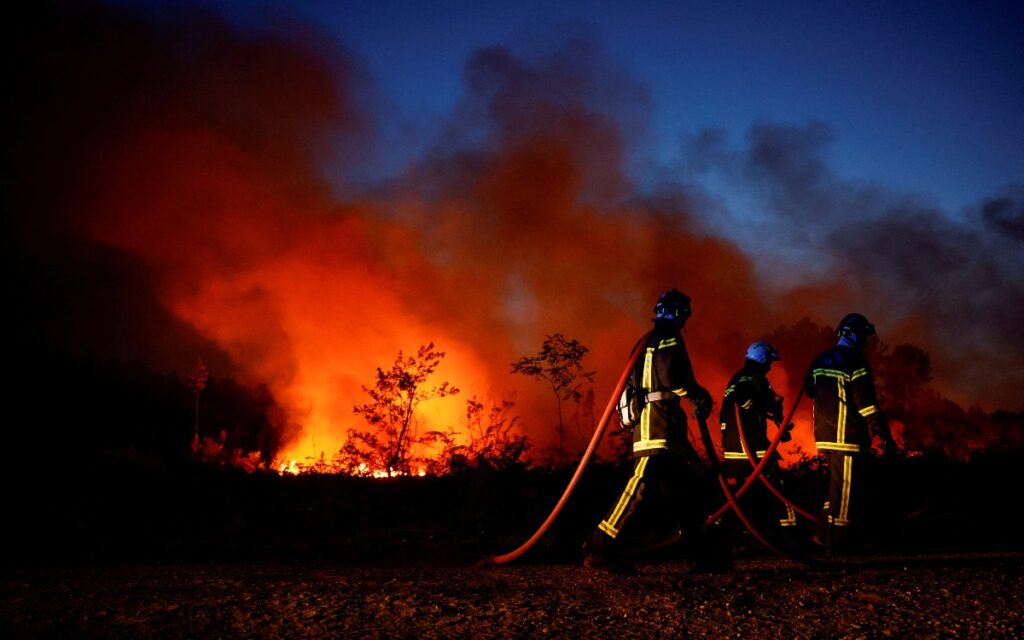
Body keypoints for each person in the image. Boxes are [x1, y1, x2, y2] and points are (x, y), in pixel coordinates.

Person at [582, 289, 717, 575]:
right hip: (655, 427)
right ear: (681, 314)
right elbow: (672, 378)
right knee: (638, 488)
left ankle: (702, 556)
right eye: (684, 315)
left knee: (684, 495)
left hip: (663, 427)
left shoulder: (646, 341)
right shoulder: (669, 338)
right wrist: (697, 394)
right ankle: (599, 547)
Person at [804, 313, 896, 555]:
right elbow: (865, 403)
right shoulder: (856, 360)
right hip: (848, 437)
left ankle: (822, 537)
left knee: (836, 488)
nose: (865, 340)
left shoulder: (820, 358)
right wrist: (882, 432)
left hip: (825, 436)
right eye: (863, 335)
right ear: (852, 334)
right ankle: (841, 546)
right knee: (846, 491)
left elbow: (809, 391)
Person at [719, 341, 797, 548]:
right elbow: (746, 399)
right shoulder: (749, 378)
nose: (770, 366)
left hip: (735, 447)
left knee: (739, 493)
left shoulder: (739, 377)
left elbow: (760, 403)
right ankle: (790, 533)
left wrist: (775, 416)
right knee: (777, 485)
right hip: (751, 445)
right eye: (769, 362)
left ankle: (728, 533)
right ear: (762, 360)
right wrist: (768, 410)